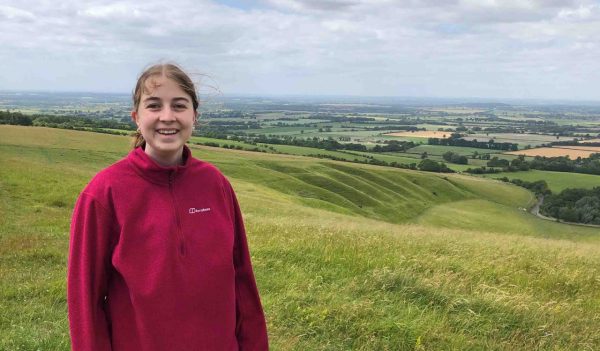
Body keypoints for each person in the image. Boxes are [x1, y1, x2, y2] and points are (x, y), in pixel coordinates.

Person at [67, 63, 268, 350]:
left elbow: (243, 282)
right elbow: (85, 301)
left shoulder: (216, 185)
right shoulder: (104, 193)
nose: (167, 116)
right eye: (153, 105)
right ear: (136, 117)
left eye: (179, 105)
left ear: (194, 116)